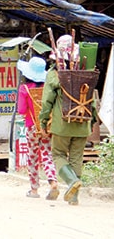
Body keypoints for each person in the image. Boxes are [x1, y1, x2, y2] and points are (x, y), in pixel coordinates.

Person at [39, 34, 97, 206]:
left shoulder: (55, 74)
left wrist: (42, 122)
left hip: (61, 124)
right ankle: (74, 197)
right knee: (76, 159)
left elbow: (47, 101)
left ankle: (71, 182)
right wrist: (91, 122)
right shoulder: (86, 73)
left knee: (57, 154)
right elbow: (91, 101)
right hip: (82, 123)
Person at [17, 56, 59, 200]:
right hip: (47, 126)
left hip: (32, 127)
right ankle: (53, 181)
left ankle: (34, 189)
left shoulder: (24, 89)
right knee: (47, 154)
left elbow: (21, 110)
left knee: (33, 156)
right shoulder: (48, 88)